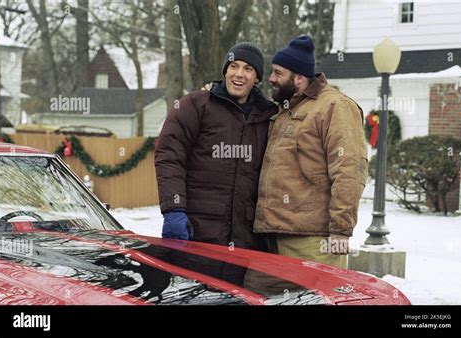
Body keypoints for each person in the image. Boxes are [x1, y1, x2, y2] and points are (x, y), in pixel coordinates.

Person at [253, 35, 368, 269]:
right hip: (274, 237)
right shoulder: (286, 108)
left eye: (278, 73)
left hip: (314, 242)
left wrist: (341, 230)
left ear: (299, 78)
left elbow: (349, 169)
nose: (271, 79)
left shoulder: (335, 106)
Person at [155, 42, 277, 252]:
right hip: (196, 231)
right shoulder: (195, 105)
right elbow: (169, 155)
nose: (239, 74)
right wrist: (173, 209)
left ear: (257, 78)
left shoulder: (268, 117)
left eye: (248, 69)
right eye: (233, 66)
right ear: (225, 71)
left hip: (246, 239)